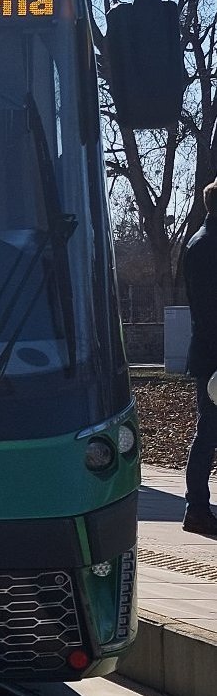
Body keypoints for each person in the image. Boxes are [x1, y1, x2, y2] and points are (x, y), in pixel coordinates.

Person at [184, 180, 217, 534]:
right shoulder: (209, 246)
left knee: (208, 433)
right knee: (208, 434)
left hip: (209, 355)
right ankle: (196, 508)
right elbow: (211, 311)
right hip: (215, 360)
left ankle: (197, 507)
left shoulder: (201, 242)